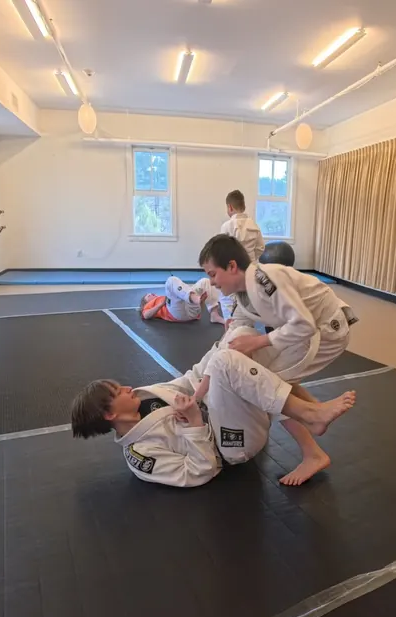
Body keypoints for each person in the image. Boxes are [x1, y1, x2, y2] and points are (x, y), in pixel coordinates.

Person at [69, 337, 356, 488]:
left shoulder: (146, 395)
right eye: (118, 391)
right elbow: (199, 472)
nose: (128, 387)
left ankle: (313, 452)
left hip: (222, 414)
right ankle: (312, 413)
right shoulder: (141, 454)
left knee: (239, 347)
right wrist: (194, 423)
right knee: (229, 363)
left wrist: (220, 344)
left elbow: (187, 379)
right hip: (229, 446)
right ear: (109, 415)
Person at [198, 234, 359, 485]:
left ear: (231, 266)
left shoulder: (264, 280)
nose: (211, 282)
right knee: (259, 373)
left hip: (327, 331)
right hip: (309, 330)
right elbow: (234, 336)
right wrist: (205, 383)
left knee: (266, 383)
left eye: (212, 273)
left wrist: (258, 342)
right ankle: (313, 411)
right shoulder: (242, 294)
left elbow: (303, 325)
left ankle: (312, 446)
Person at [216, 190, 265, 322]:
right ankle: (246, 326)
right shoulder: (254, 226)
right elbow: (260, 248)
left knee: (228, 301)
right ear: (243, 205)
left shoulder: (226, 226)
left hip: (233, 271)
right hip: (251, 270)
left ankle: (231, 324)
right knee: (249, 301)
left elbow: (221, 251)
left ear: (230, 207)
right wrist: (251, 259)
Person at [139, 275, 217, 323]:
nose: (151, 294)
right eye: (148, 296)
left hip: (192, 313)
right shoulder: (149, 305)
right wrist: (161, 304)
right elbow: (146, 315)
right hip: (177, 314)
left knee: (205, 281)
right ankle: (193, 298)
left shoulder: (163, 297)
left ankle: (214, 315)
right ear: (146, 302)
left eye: (151, 293)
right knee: (171, 280)